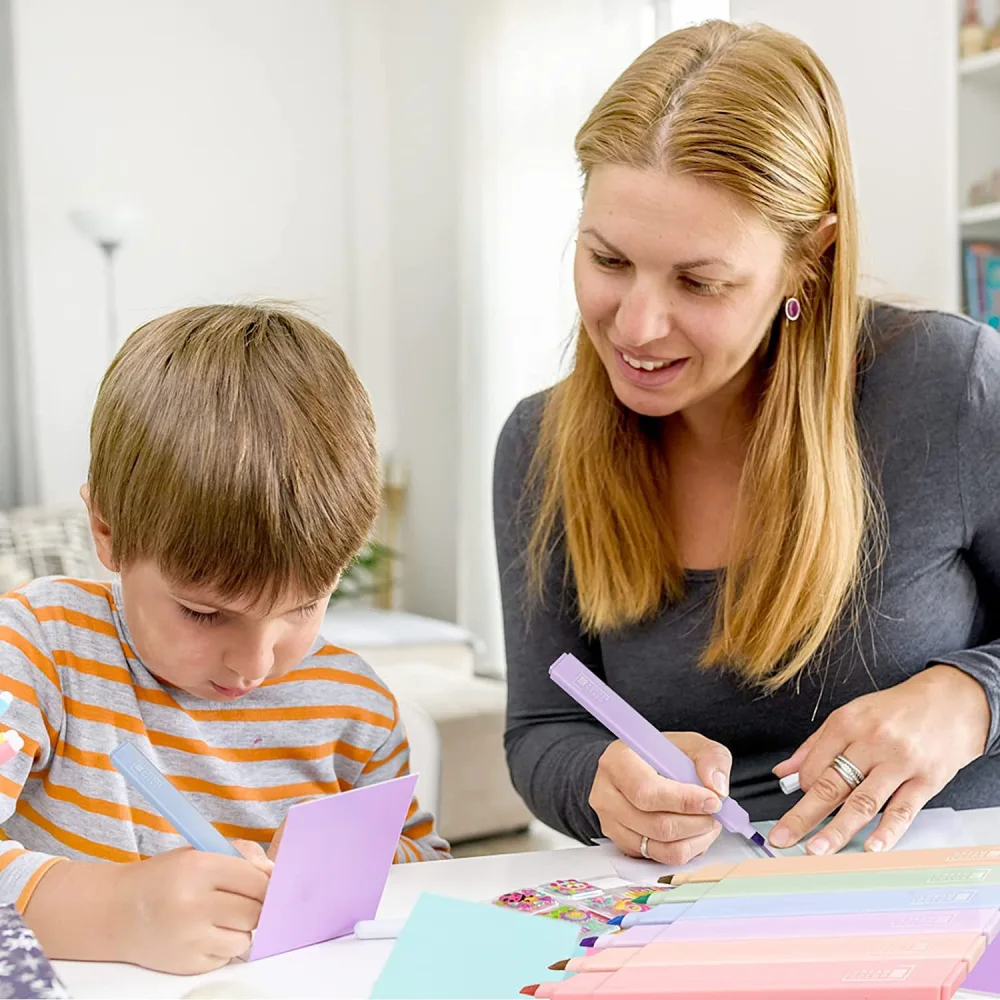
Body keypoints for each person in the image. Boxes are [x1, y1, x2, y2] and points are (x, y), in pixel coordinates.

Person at [494, 20, 1000, 869]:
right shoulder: (539, 445)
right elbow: (543, 728)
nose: (639, 326)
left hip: (947, 888)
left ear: (809, 257)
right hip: (686, 905)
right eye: (608, 260)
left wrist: (966, 700)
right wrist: (600, 779)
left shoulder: (952, 384)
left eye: (700, 281)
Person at [0, 304, 450, 974]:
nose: (255, 661)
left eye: (302, 607)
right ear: (108, 533)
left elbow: (423, 867)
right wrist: (122, 911)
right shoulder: (40, 651)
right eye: (206, 614)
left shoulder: (354, 706)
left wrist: (337, 875)